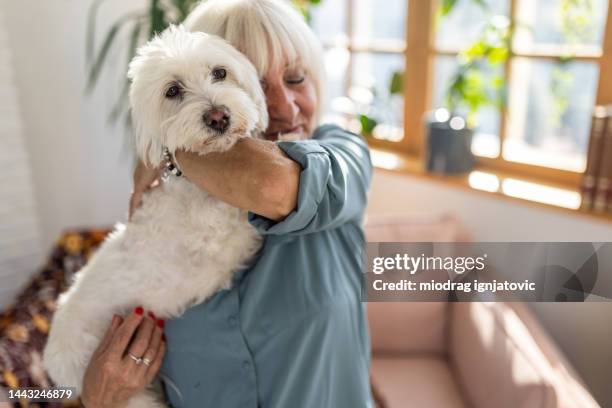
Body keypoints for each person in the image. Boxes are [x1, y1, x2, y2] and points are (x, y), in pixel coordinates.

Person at [79, 0, 373, 407]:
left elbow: (272, 184)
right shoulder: (163, 214)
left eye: (296, 78)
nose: (286, 109)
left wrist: (173, 147)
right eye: (258, 83)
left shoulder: (343, 155)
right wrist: (97, 398)